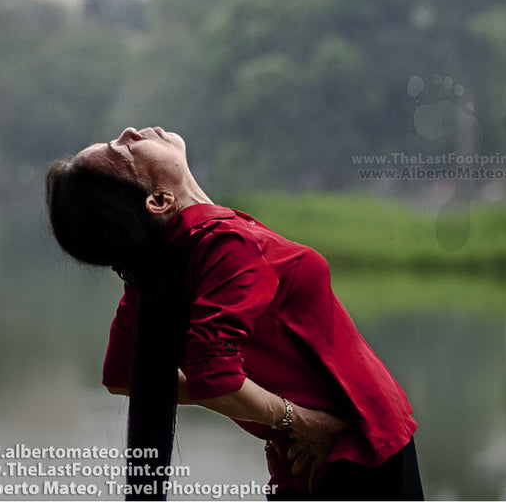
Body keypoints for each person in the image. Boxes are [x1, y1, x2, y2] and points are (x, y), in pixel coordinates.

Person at [45, 126, 423, 501]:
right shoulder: (227, 246)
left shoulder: (163, 264)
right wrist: (298, 419)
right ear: (159, 200)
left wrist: (279, 417)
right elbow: (214, 376)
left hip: (324, 461)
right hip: (359, 455)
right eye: (123, 151)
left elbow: (126, 376)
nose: (129, 132)